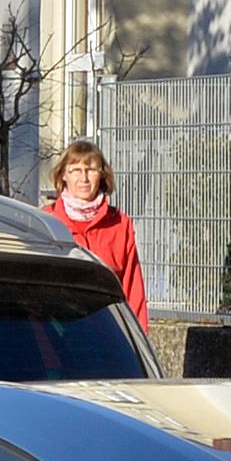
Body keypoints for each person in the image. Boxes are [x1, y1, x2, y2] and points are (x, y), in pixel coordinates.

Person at [45, 139, 148, 325]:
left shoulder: (119, 223)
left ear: (102, 175)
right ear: (63, 176)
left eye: (91, 169)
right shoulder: (46, 221)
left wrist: (138, 340)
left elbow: (132, 287)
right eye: (75, 170)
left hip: (106, 329)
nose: (83, 178)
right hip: (58, 328)